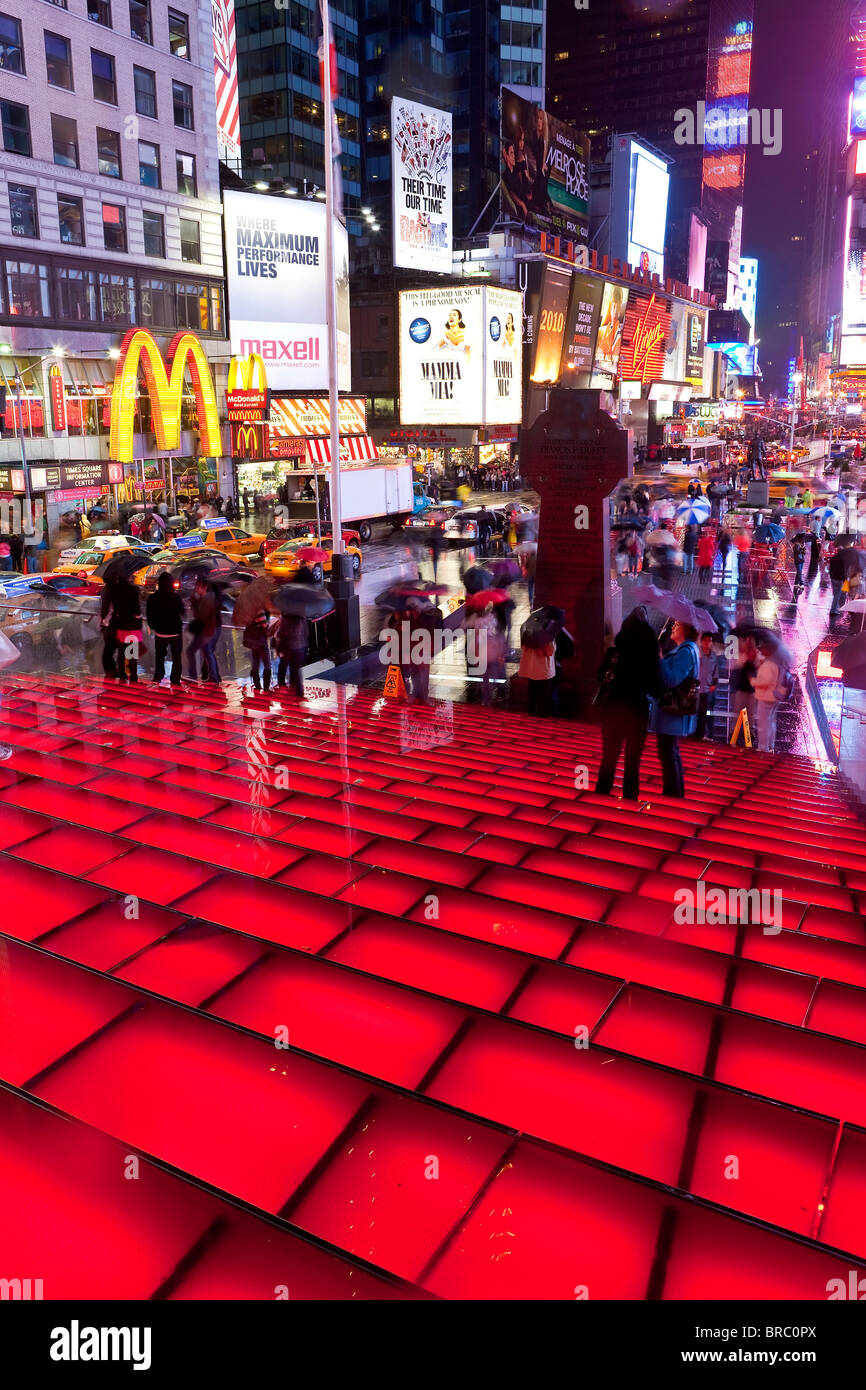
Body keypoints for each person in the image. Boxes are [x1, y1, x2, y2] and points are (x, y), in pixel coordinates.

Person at [594, 606, 661, 800]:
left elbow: (601, 675)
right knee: (633, 761)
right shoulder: (648, 658)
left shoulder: (615, 653)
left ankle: (600, 797)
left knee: (609, 757)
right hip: (637, 713)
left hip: (613, 710)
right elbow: (656, 689)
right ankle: (630, 801)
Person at [649, 620, 700, 797]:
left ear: (686, 629)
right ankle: (674, 793)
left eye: (677, 625)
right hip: (673, 716)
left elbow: (672, 680)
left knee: (668, 753)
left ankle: (672, 795)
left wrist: (661, 659)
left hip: (672, 713)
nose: (673, 627)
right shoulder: (687, 649)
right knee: (670, 752)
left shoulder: (685, 652)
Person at [100, 573, 141, 683]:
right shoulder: (134, 590)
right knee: (132, 654)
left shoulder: (115, 591)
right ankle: (133, 678)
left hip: (120, 625)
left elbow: (114, 609)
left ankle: (122, 676)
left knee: (121, 654)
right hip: (132, 626)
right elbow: (137, 610)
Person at [146, 571, 184, 686]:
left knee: (160, 655)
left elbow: (149, 615)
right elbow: (181, 612)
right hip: (175, 632)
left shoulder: (153, 598)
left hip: (160, 632)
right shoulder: (176, 597)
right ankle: (175, 679)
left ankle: (158, 675)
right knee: (176, 657)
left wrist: (154, 626)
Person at [753, 639, 784, 752]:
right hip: (775, 697)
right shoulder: (775, 661)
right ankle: (770, 746)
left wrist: (753, 681)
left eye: (763, 649)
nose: (761, 651)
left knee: (763, 723)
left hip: (766, 697)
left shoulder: (768, 664)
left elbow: (765, 682)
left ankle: (763, 748)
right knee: (771, 721)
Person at [187, 575, 220, 683]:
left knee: (202, 652)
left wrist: (194, 603)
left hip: (207, 631)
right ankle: (213, 677)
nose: (196, 588)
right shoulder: (205, 598)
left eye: (198, 586)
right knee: (207, 652)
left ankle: (198, 676)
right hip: (207, 631)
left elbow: (200, 616)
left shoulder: (207, 599)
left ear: (204, 587)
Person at [519, 632, 556, 716]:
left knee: (532, 697)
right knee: (543, 699)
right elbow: (549, 651)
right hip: (543, 671)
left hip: (531, 670)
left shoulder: (527, 632)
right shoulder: (546, 633)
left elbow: (523, 647)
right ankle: (541, 720)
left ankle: (530, 718)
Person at [274, 609, 308, 696]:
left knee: (283, 665)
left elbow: (281, 633)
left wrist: (279, 647)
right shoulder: (302, 617)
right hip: (299, 646)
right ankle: (298, 690)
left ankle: (282, 684)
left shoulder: (286, 617)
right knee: (295, 669)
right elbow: (305, 632)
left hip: (287, 646)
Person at [695, 631, 720, 739]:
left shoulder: (713, 656)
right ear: (701, 641)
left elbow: (715, 671)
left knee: (703, 713)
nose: (707, 642)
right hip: (695, 688)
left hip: (706, 689)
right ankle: (691, 733)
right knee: (693, 712)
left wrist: (714, 683)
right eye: (705, 640)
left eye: (709, 640)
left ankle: (701, 734)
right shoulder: (698, 654)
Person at [243, 606, 273, 693]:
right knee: (267, 665)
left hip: (253, 642)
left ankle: (257, 686)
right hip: (261, 642)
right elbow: (264, 625)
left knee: (255, 664)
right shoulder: (260, 611)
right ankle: (266, 688)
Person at [829, 540, 851, 616]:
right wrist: (845, 578)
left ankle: (835, 608)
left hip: (833, 578)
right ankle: (833, 610)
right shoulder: (844, 560)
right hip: (839, 579)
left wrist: (831, 575)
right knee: (837, 595)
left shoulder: (833, 558)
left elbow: (830, 568)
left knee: (835, 594)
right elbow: (845, 570)